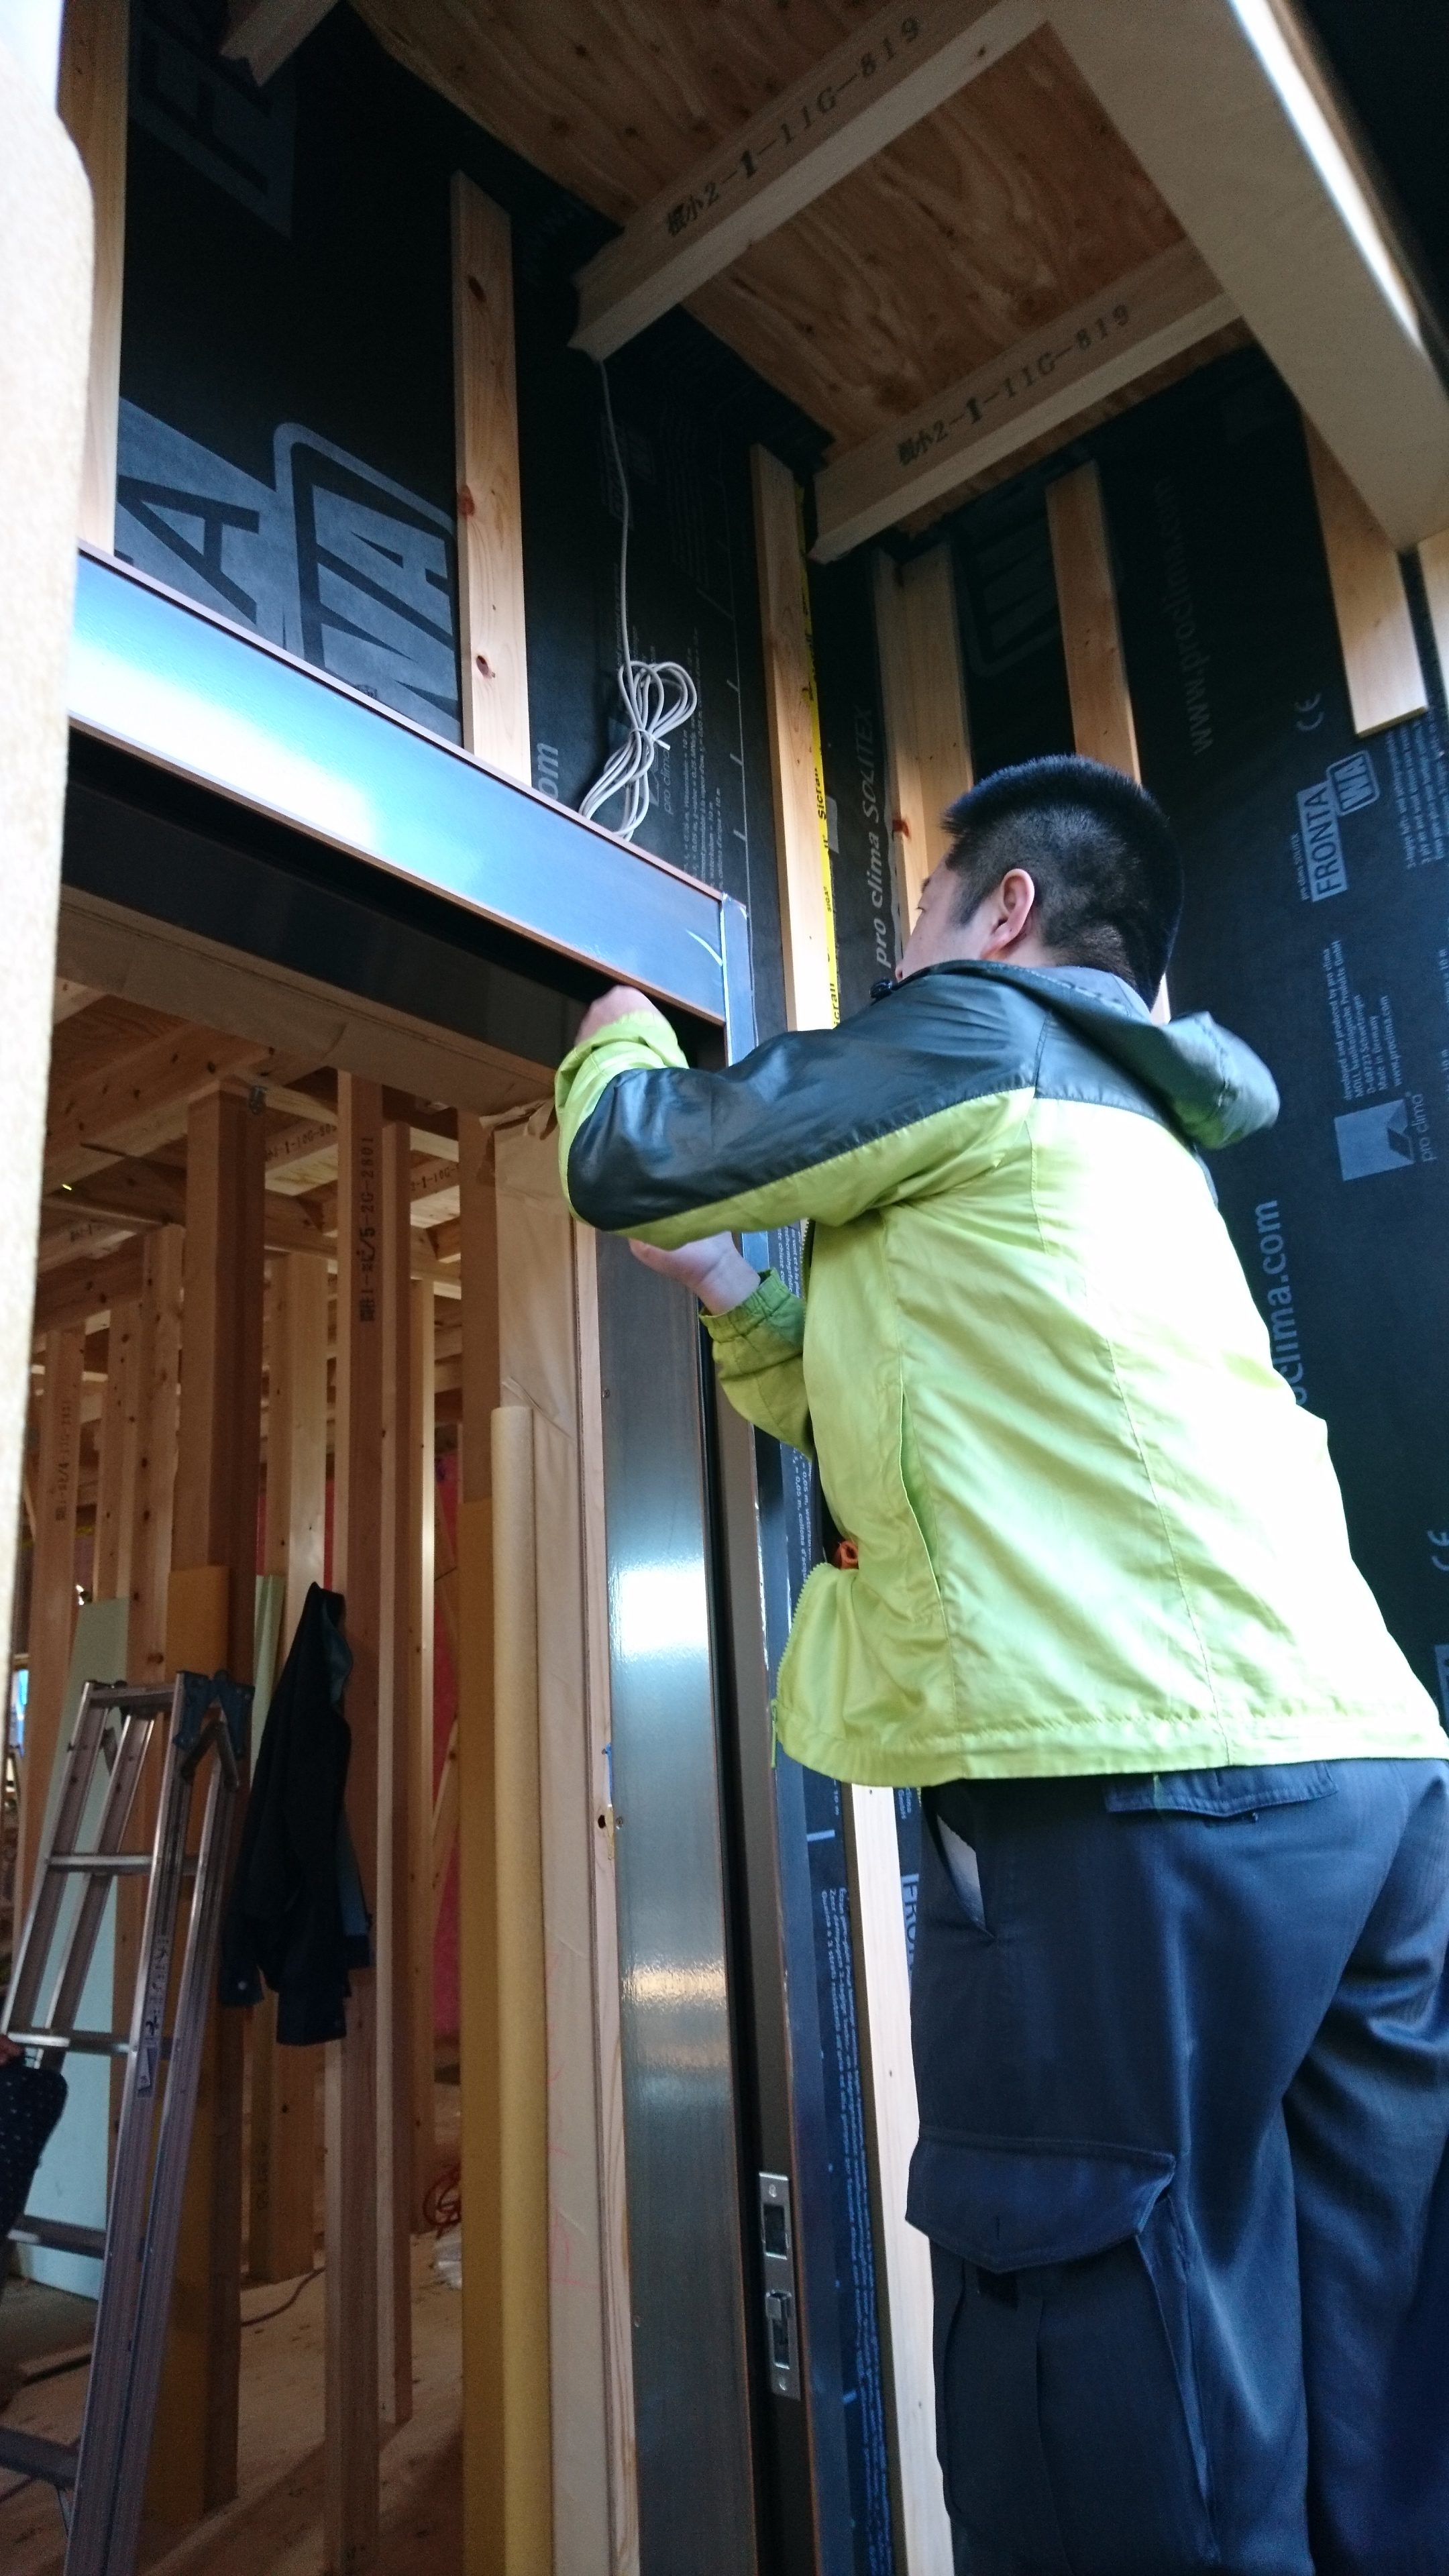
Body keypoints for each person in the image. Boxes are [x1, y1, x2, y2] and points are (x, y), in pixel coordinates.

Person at [555, 755, 1449, 2576]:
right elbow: (899, 1421)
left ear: (1008, 914)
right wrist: (735, 1294)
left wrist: (614, 1028)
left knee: (1106, 2360)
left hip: (1136, 1782)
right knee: (1357, 2356)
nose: (903, 958)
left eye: (920, 918)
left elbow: (625, 1150)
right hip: (1363, 1777)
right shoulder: (1125, 1136)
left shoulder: (977, 1030)